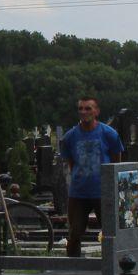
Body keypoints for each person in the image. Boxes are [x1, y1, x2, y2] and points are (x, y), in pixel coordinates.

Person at [57, 97, 124, 257]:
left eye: (88, 108)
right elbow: (71, 163)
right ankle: (73, 268)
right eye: (80, 108)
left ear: (96, 111)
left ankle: (113, 266)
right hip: (79, 193)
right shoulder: (70, 137)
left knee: (110, 233)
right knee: (75, 232)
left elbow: (116, 161)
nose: (83, 112)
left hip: (103, 192)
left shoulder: (108, 134)